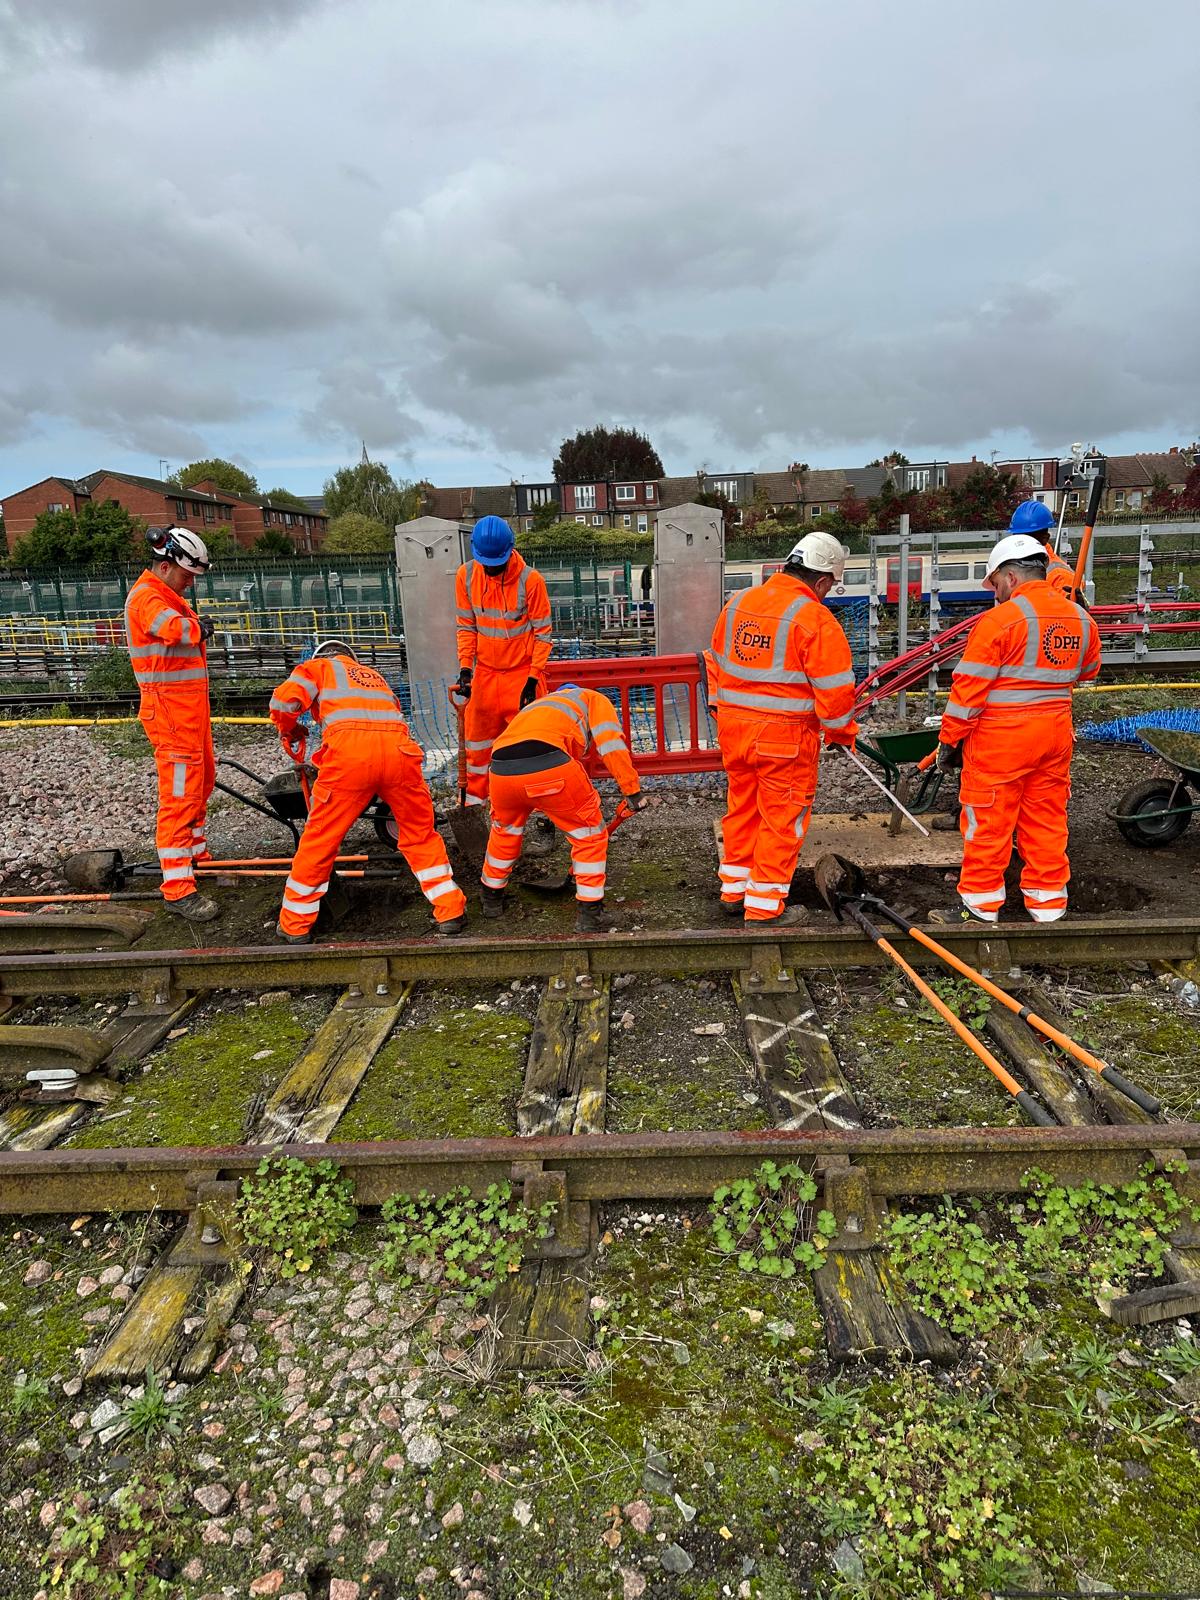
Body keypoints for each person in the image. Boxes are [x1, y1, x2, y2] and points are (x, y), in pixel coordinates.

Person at [933, 532, 1100, 924]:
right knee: (1046, 820)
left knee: (987, 822)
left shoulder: (1000, 621)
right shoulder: (1079, 618)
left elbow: (967, 693)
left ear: (1010, 578)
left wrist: (949, 741)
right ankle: (1048, 909)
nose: (994, 593)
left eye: (994, 584)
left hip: (1001, 743)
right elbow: (1089, 670)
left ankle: (978, 908)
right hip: (1055, 737)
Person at [268, 640, 466, 943]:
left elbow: (283, 703)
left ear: (325, 656)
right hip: (400, 756)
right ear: (353, 660)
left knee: (320, 840)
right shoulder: (375, 678)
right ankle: (450, 909)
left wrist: (290, 729)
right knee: (419, 834)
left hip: (350, 759)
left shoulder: (316, 668)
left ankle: (295, 925)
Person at [706, 531, 858, 924]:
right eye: (830, 586)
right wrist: (841, 734)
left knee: (742, 811)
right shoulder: (813, 617)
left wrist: (723, 710)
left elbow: (716, 660)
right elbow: (836, 690)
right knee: (781, 820)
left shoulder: (739, 603)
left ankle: (733, 890)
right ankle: (764, 908)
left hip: (734, 732)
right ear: (822, 580)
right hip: (783, 740)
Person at [479, 683, 647, 932]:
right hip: (551, 767)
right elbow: (611, 746)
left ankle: (491, 899)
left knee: (505, 831)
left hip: (501, 770)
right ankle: (591, 917)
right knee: (588, 835)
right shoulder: (593, 698)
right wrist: (632, 791)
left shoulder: (539, 707)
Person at [124, 526, 219, 922]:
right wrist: (201, 628)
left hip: (188, 713)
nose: (190, 584)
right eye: (187, 575)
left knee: (202, 781)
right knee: (179, 797)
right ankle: (178, 888)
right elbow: (173, 631)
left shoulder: (167, 595)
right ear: (165, 566)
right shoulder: (148, 597)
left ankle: (196, 855)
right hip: (170, 715)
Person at [455, 516, 553, 806]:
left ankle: (538, 811)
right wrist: (465, 669)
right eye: (486, 562)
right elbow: (466, 626)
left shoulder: (530, 581)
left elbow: (543, 635)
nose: (491, 568)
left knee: (533, 747)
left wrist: (533, 679)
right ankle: (475, 805)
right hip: (485, 674)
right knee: (478, 746)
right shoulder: (466, 576)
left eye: (496, 562)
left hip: (522, 675)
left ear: (511, 551)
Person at [1009, 499, 1077, 598]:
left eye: (1027, 538)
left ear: (1045, 539)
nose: (1020, 543)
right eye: (1017, 538)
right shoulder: (1011, 566)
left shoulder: (1061, 576)